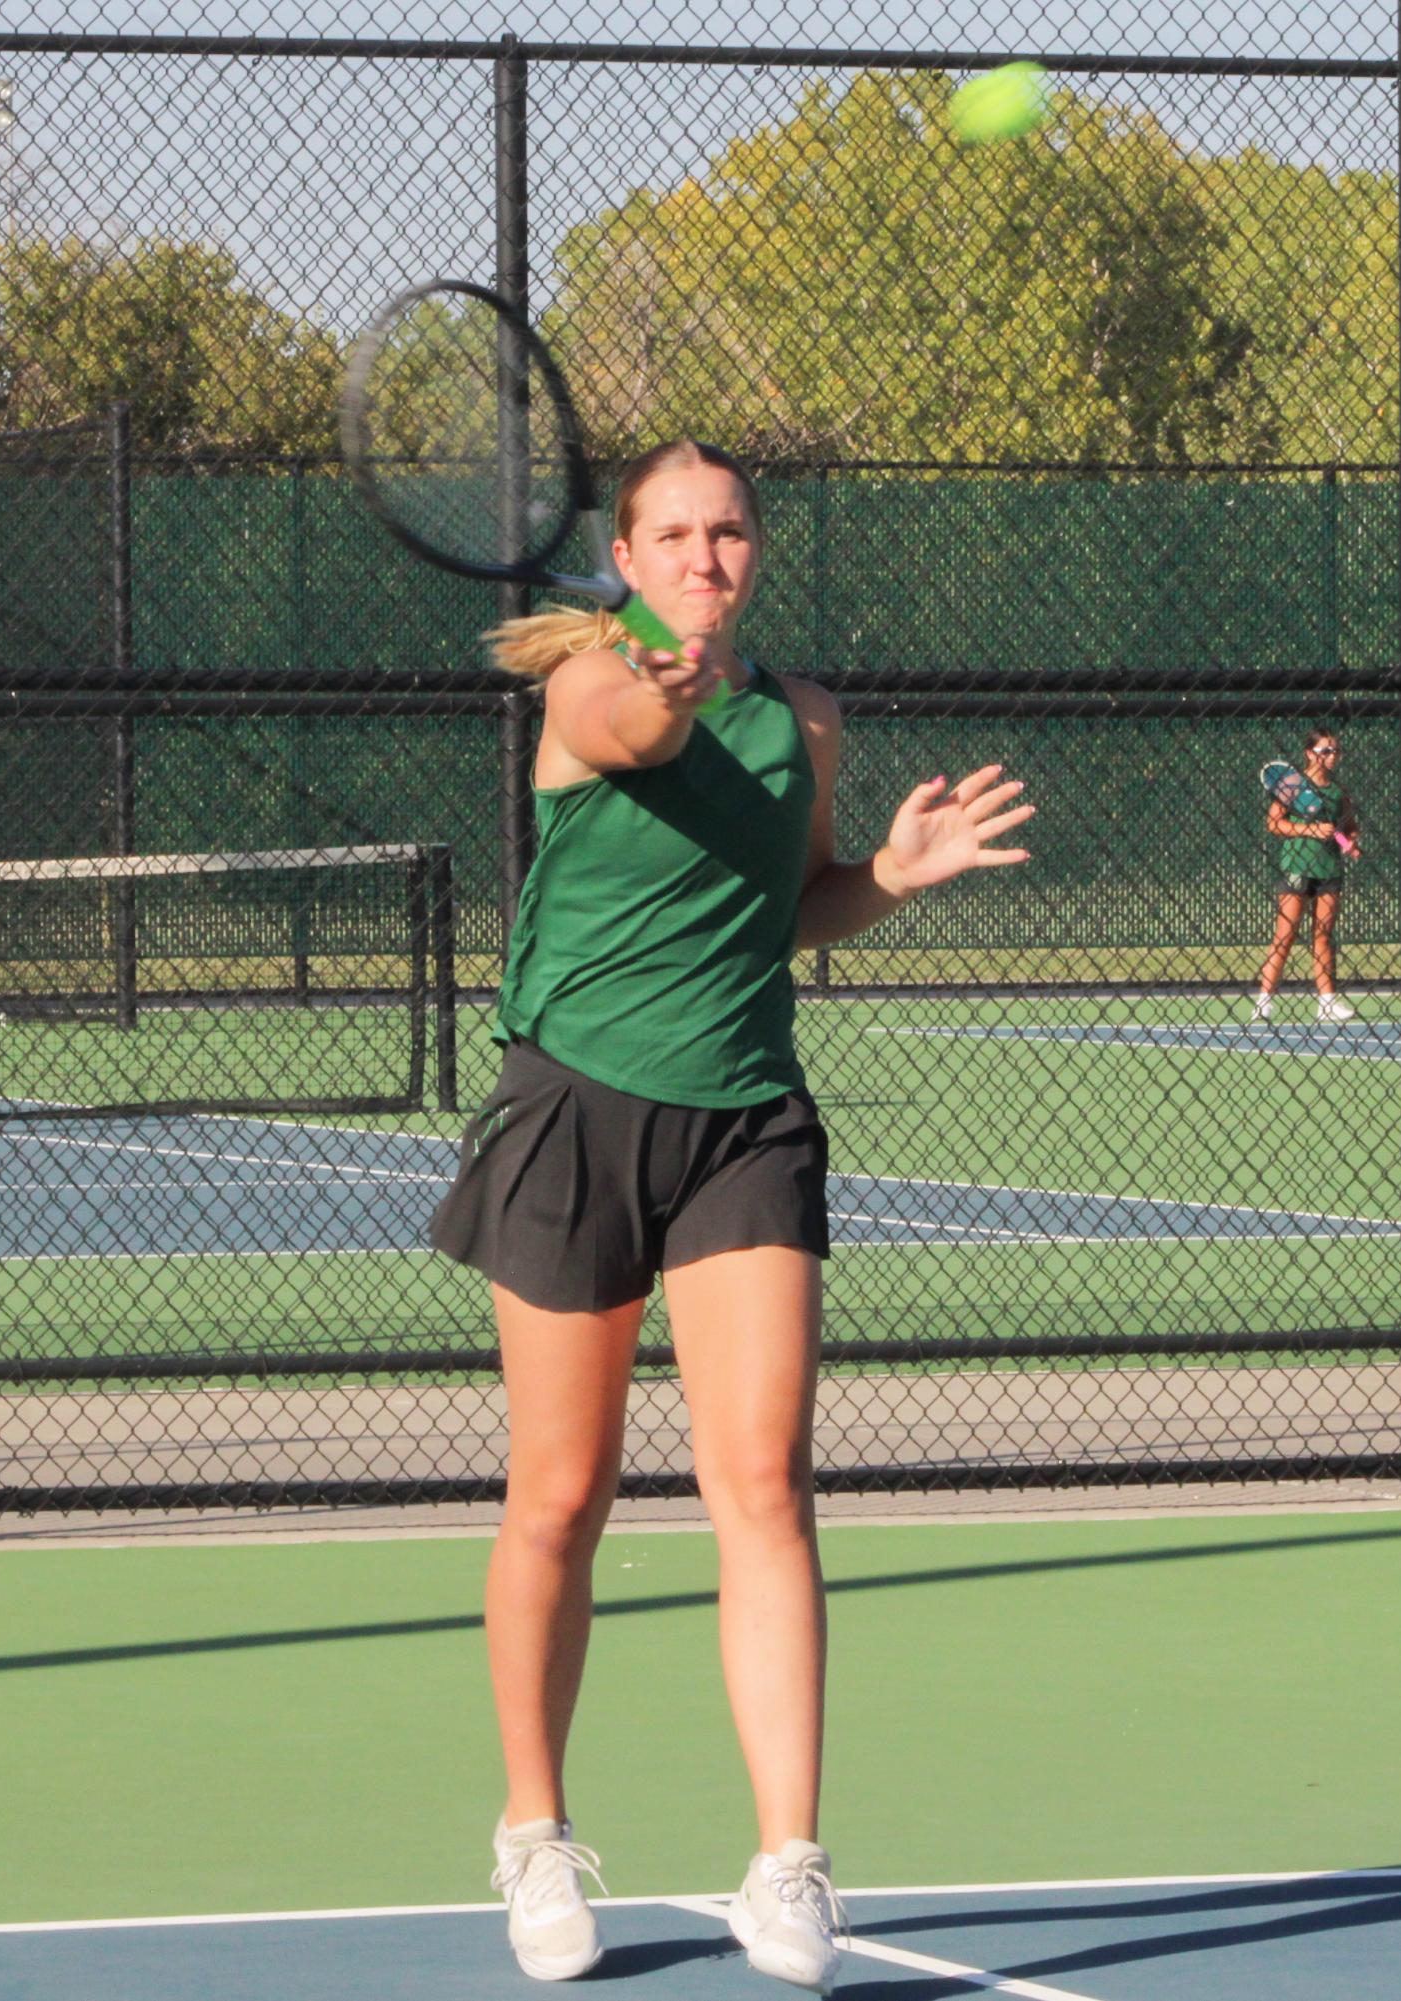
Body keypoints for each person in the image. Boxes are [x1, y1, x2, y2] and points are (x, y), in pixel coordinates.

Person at [430, 438, 1034, 1991]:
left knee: (760, 1479)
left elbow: (799, 897)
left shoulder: (806, 718)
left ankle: (787, 1864)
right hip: (573, 1113)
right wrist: (665, 672)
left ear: (756, 551)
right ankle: (536, 1832)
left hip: (745, 1123)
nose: (707, 555)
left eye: (729, 533)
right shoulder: (583, 691)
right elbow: (629, 725)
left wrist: (888, 876)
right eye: (676, 534)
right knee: (559, 1496)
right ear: (625, 557)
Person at [1253, 727, 1360, 1023]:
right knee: (1285, 935)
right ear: (1309, 753)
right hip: (1297, 867)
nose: (1332, 756)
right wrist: (1309, 829)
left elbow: (1347, 825)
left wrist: (1350, 842)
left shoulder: (1338, 792)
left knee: (1323, 936)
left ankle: (1327, 1003)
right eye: (1325, 750)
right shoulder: (1292, 786)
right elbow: (1275, 824)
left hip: (1329, 869)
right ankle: (1264, 1001)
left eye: (1335, 750)